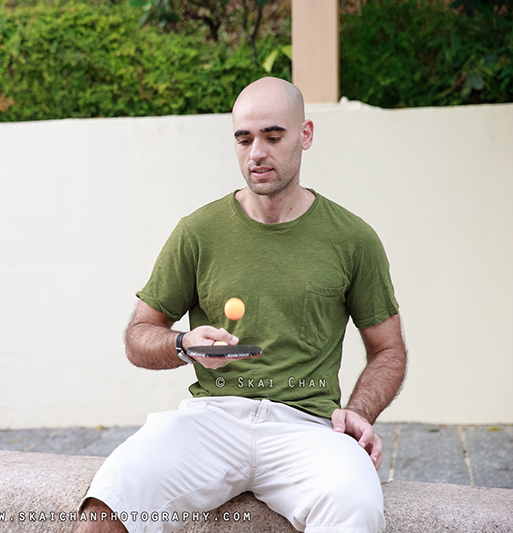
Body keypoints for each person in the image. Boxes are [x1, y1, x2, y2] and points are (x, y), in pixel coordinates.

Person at [72, 77, 408, 533]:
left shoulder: (352, 238)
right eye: (244, 139)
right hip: (211, 420)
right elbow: (138, 336)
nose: (256, 153)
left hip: (309, 428)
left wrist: (360, 413)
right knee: (107, 503)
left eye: (273, 136)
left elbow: (388, 349)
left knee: (357, 506)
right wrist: (184, 345)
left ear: (305, 135)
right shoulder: (198, 232)